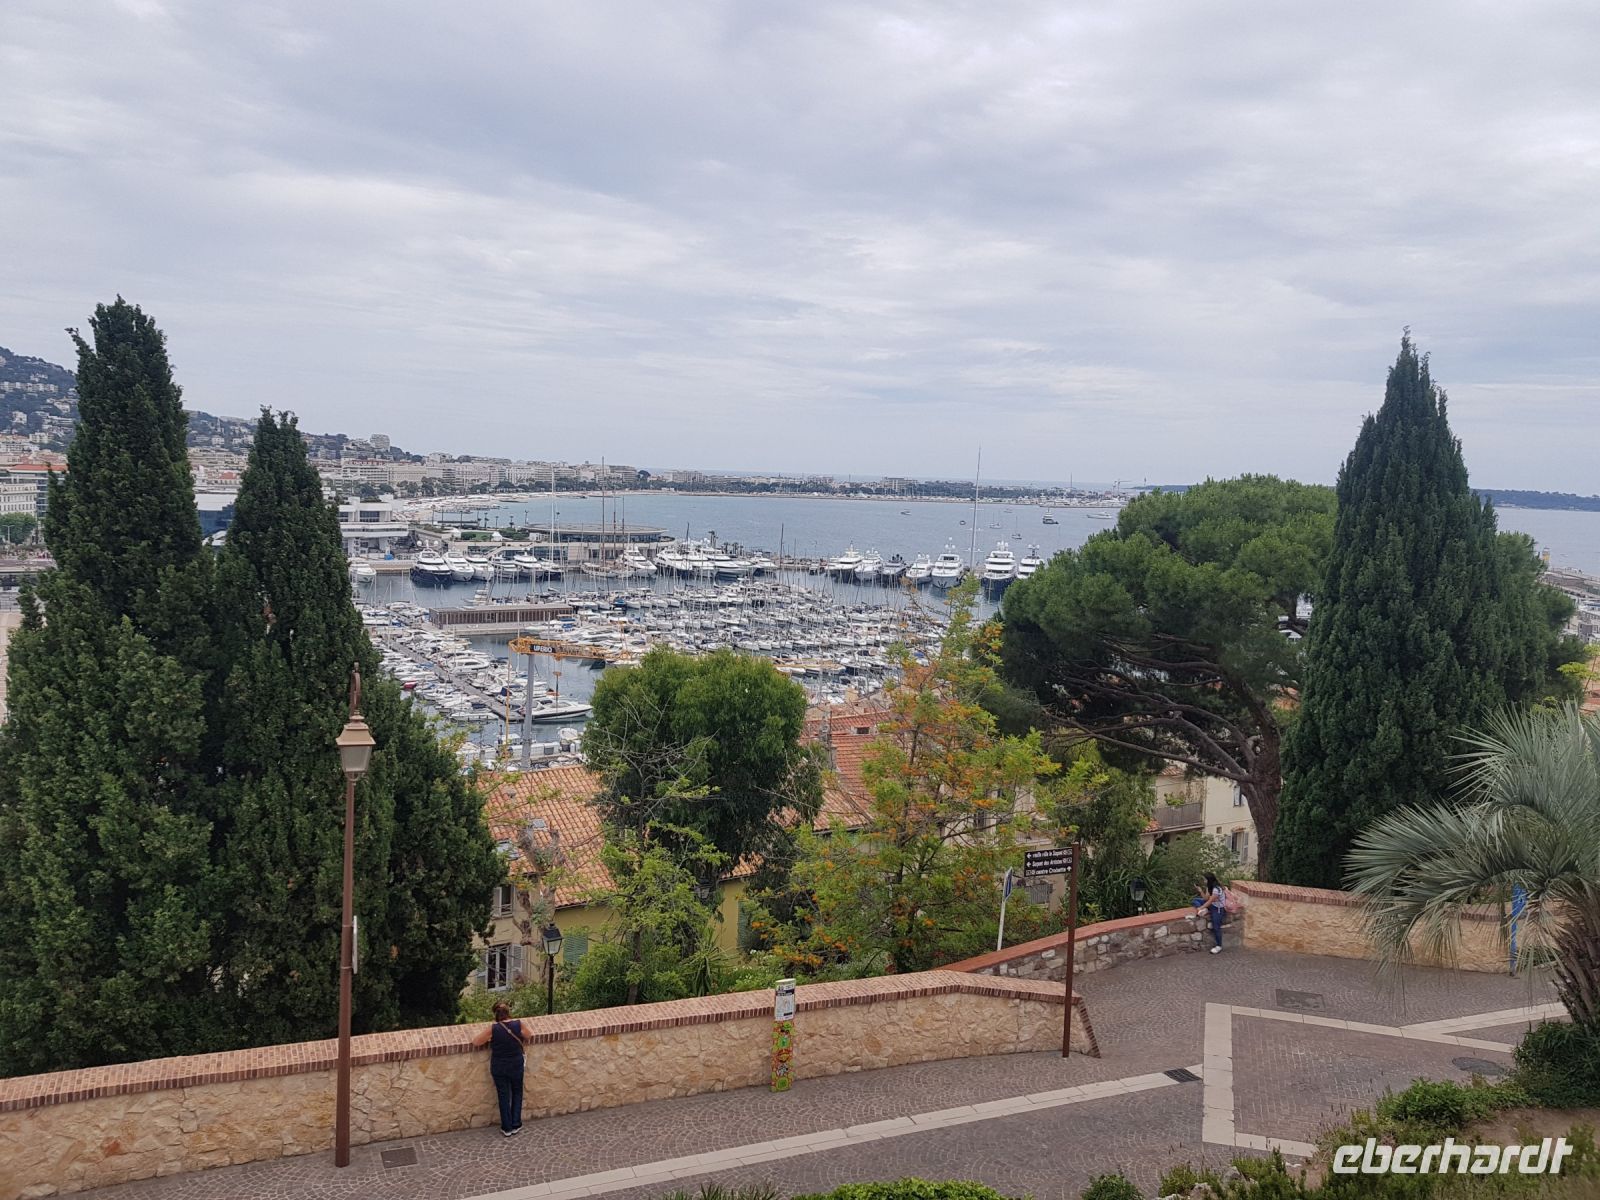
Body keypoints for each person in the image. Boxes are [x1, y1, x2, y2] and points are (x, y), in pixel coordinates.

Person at [472, 1001, 531, 1135]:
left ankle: (507, 1128)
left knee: (503, 1095)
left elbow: (476, 1042)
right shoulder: (518, 1024)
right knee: (517, 1092)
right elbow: (529, 1035)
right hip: (516, 1064)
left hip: (499, 1066)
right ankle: (516, 1123)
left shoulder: (493, 1029)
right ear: (508, 1012)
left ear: (496, 1014)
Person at [1197, 873, 1226, 954]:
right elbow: (1206, 898)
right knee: (1195, 901)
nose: (1204, 881)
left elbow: (1210, 901)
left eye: (1204, 879)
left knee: (1216, 927)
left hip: (1218, 909)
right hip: (1212, 906)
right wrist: (1200, 891)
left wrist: (1201, 908)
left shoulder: (1216, 889)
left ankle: (1219, 946)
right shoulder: (1209, 887)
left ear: (1209, 880)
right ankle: (1206, 909)